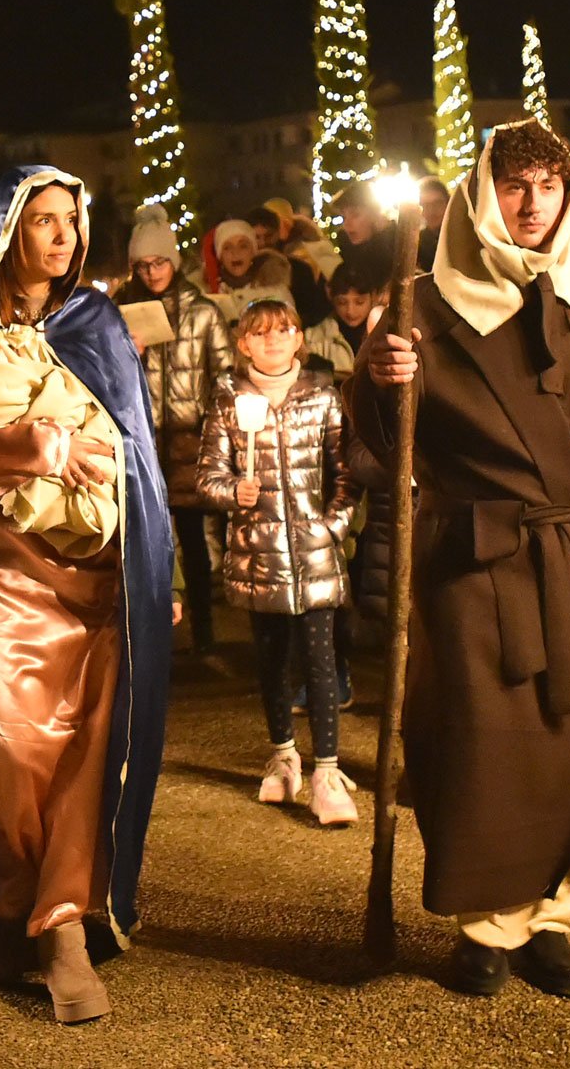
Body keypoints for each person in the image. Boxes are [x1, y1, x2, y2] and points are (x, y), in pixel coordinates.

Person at [350, 120, 570, 999]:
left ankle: (553, 921)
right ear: (483, 192)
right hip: (468, 563)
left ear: (569, 194)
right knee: (476, 741)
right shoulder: (419, 310)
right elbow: (378, 452)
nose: (534, 201)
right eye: (516, 183)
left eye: (550, 183)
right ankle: (484, 924)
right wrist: (381, 380)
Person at [0, 165, 175, 1024]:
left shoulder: (96, 322)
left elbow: (138, 452)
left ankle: (62, 929)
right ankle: (6, 906)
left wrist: (154, 561)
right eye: (42, 220)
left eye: (70, 220)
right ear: (5, 232)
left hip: (90, 578)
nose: (60, 236)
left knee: (86, 754)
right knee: (18, 750)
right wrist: (30, 447)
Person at [197, 298, 360, 825]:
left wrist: (331, 526)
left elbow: (346, 473)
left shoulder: (323, 397)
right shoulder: (227, 401)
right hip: (257, 554)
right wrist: (231, 493)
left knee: (319, 659)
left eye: (284, 330)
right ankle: (284, 754)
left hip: (313, 552)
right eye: (261, 333)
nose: (274, 341)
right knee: (271, 659)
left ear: (299, 339)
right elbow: (206, 477)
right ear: (244, 343)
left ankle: (327, 771)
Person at [114, 203, 235, 652]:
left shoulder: (201, 312)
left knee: (193, 540)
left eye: (159, 262)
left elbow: (224, 371)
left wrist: (217, 425)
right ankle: (149, 634)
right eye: (143, 265)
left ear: (174, 260)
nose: (152, 272)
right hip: (141, 439)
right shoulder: (119, 310)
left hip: (190, 437)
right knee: (145, 539)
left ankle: (204, 631)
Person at [247, 204, 333, 328]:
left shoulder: (300, 269)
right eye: (257, 237)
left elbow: (315, 310)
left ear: (277, 234)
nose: (262, 243)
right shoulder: (242, 272)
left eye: (268, 236)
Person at [302, 261, 381, 378]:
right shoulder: (314, 338)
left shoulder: (385, 334)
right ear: (330, 294)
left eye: (359, 302)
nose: (350, 311)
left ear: (374, 296)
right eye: (342, 302)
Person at [206, 218, 294, 315]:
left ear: (253, 252)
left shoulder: (276, 292)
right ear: (220, 256)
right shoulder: (208, 296)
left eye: (243, 246)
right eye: (227, 247)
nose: (235, 252)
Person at [332, 182, 396, 287]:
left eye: (355, 215)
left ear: (375, 215)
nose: (347, 224)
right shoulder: (347, 253)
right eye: (344, 217)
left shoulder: (397, 248)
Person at [416, 175, 450, 272]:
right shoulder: (416, 242)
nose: (431, 210)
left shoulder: (462, 236)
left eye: (437, 203)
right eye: (425, 205)